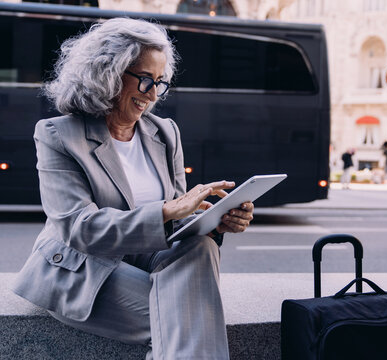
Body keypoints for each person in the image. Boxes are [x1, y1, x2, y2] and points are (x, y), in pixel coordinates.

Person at [11, 18, 254, 359]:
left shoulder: (166, 132)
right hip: (82, 266)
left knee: (201, 247)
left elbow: (179, 225)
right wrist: (171, 210)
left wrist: (216, 220)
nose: (153, 95)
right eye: (143, 80)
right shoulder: (58, 135)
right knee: (184, 319)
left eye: (159, 83)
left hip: (149, 260)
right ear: (108, 73)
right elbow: (81, 230)